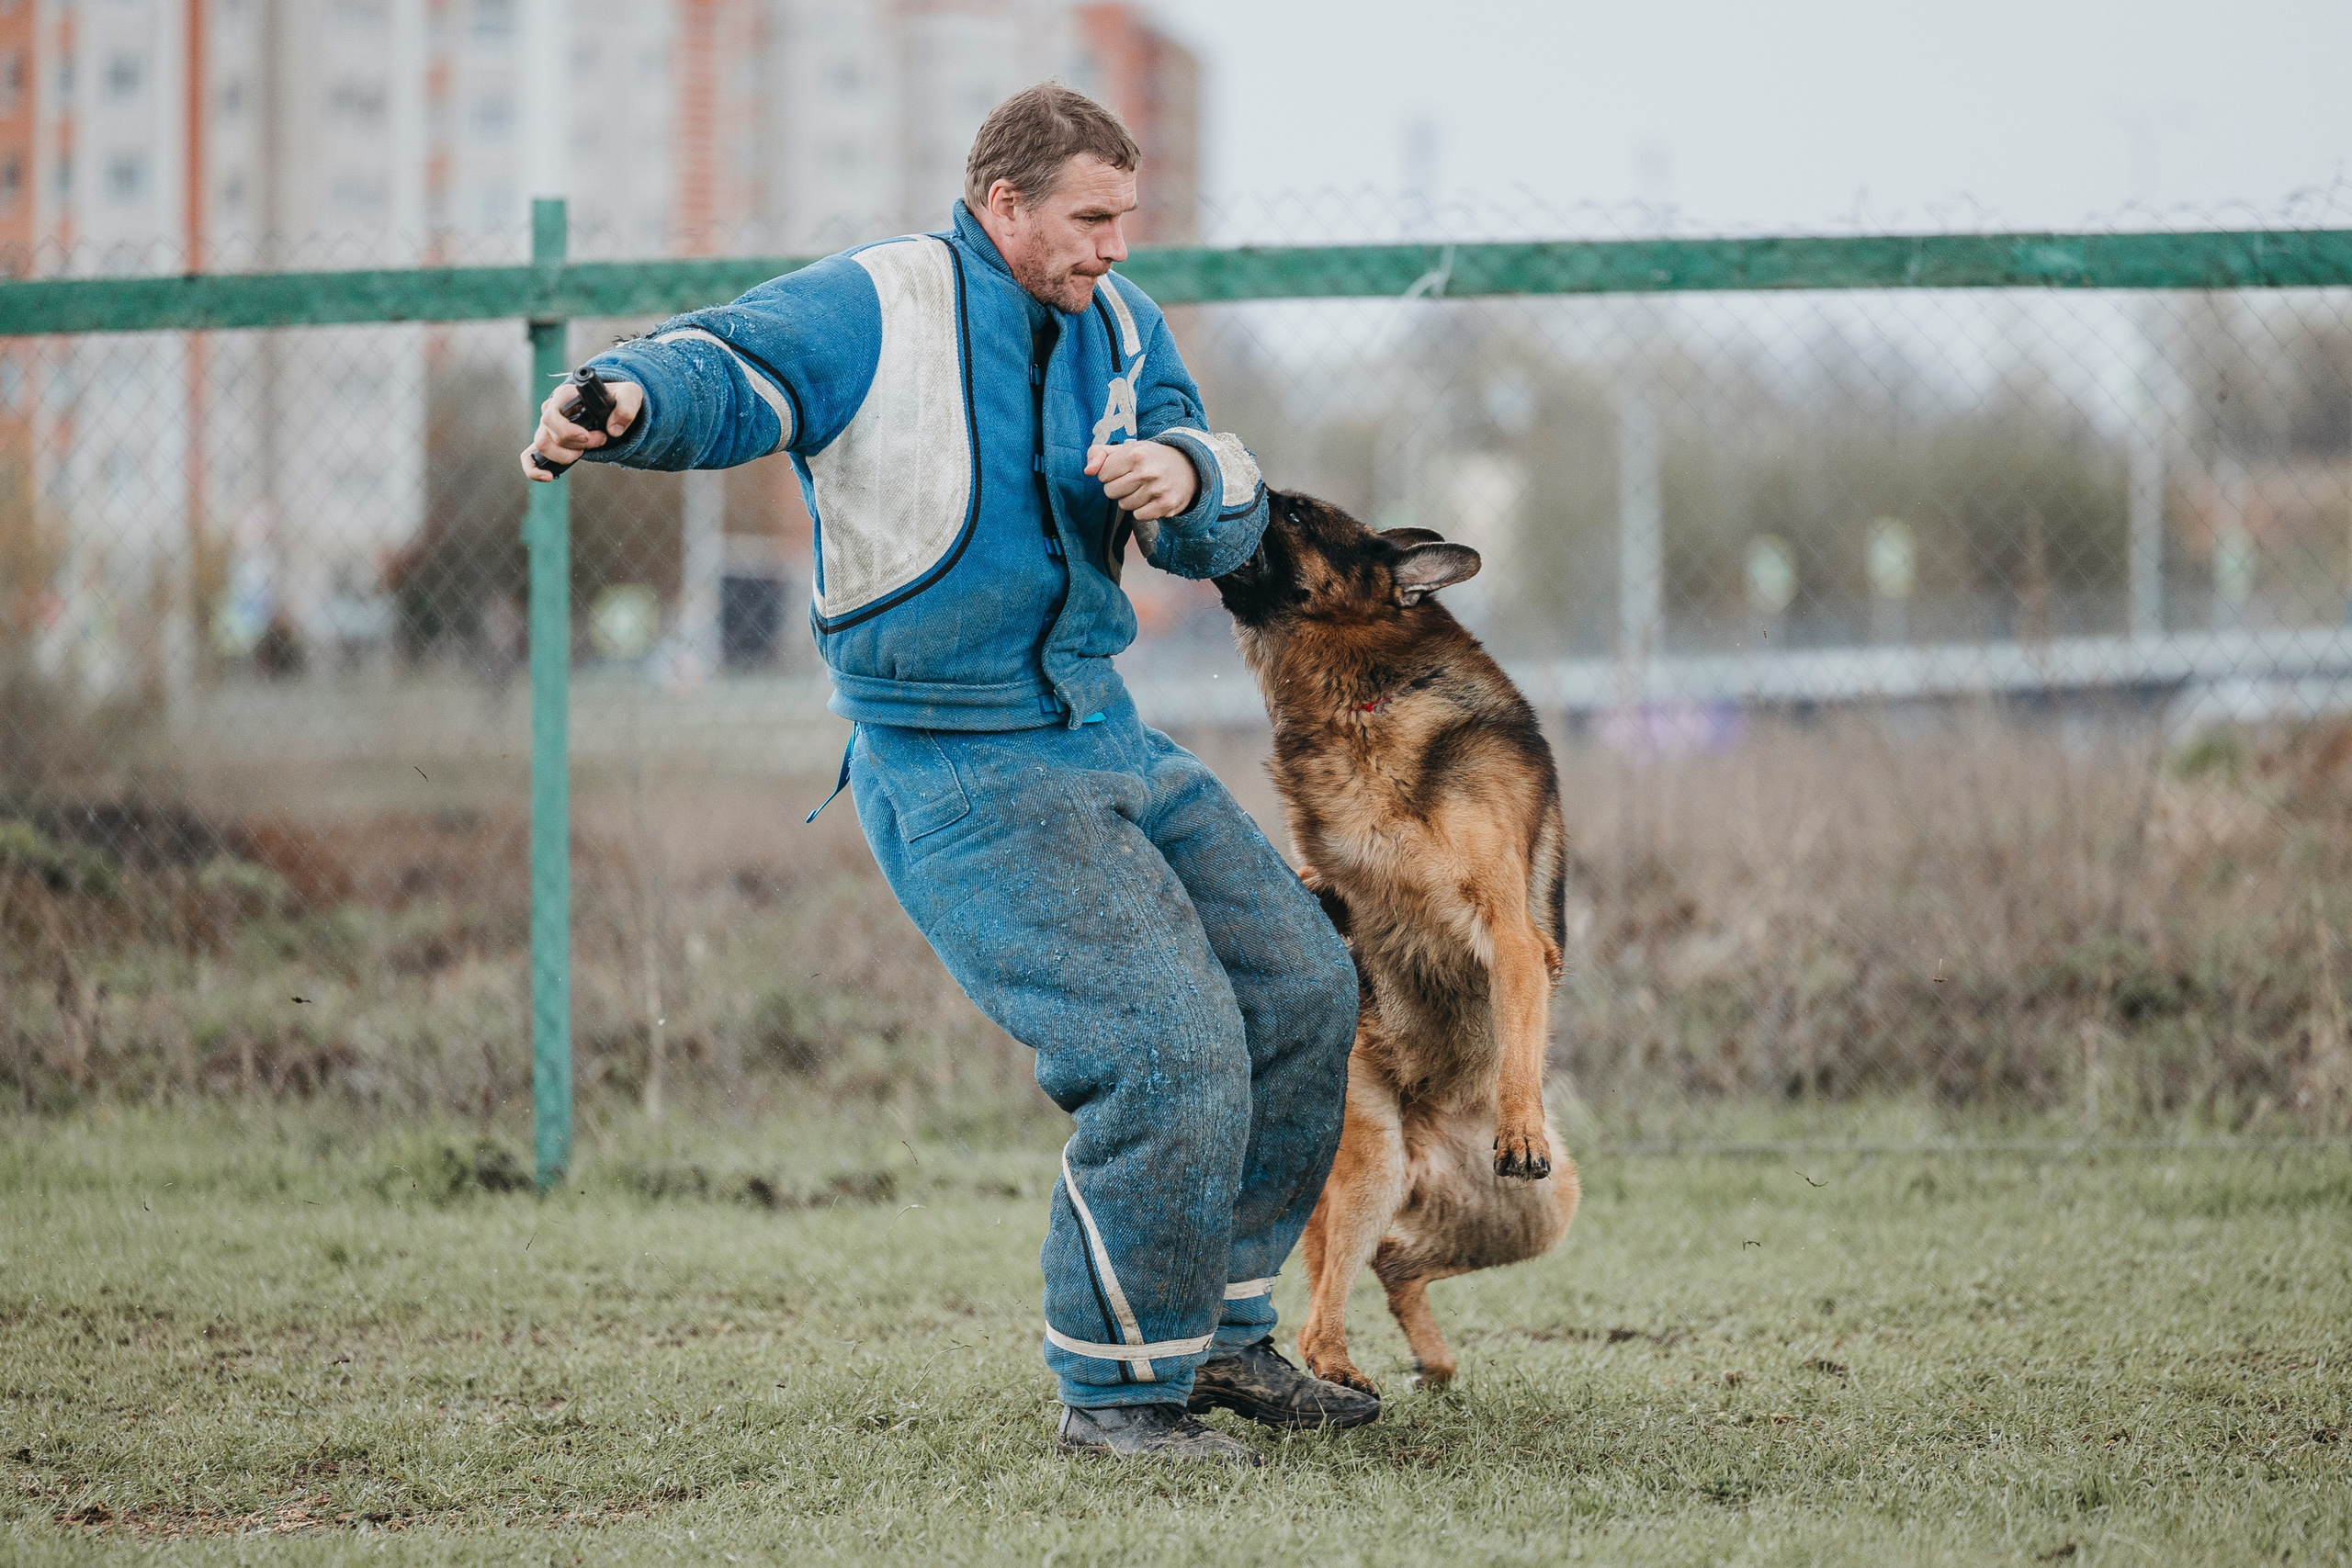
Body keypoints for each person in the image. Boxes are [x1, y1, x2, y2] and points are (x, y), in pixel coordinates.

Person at [522, 84, 1371, 1467]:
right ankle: (1115, 1397)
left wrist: (1184, 476)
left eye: (1124, 218)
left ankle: (1217, 1334)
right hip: (951, 758)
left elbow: (1219, 503)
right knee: (1161, 1043)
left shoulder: (1125, 325)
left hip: (1102, 729)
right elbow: (730, 369)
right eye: (1089, 218)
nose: (1112, 245)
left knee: (1302, 984)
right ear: (1006, 206)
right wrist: (619, 398)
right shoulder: (881, 303)